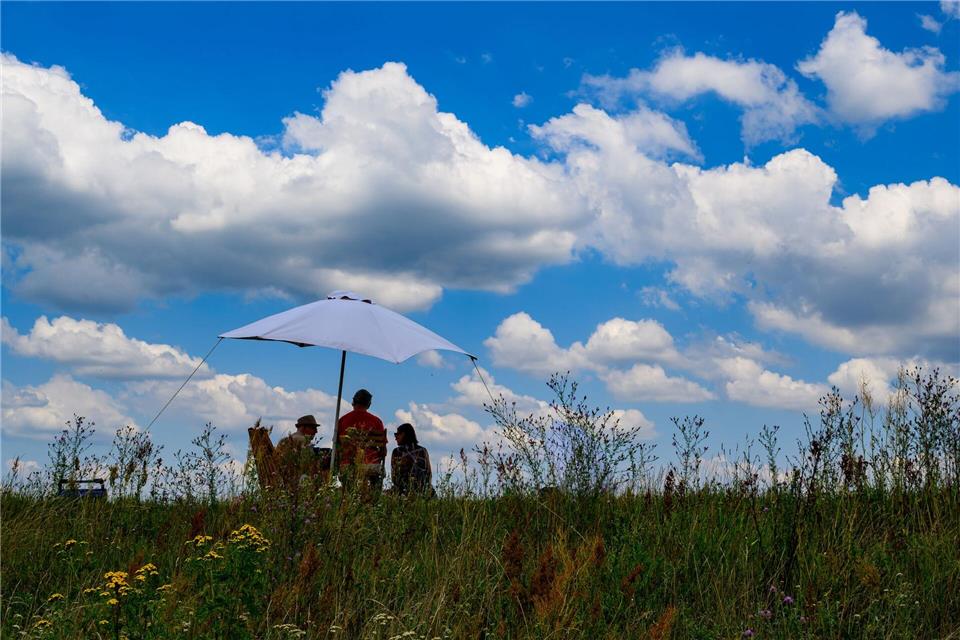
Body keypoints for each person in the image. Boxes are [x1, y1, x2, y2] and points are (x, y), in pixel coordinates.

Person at [336, 389, 387, 498]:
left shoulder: (342, 420)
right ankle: (374, 499)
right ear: (369, 404)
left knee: (348, 491)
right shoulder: (377, 421)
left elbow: (337, 445)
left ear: (353, 402)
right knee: (374, 477)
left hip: (348, 464)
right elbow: (383, 450)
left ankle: (348, 499)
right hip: (371, 464)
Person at [274, 415, 326, 490]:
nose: (316, 431)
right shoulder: (303, 440)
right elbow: (309, 463)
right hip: (297, 481)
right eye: (313, 428)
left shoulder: (284, 440)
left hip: (282, 479)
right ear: (303, 427)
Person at [390, 422, 434, 497]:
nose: (395, 437)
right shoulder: (422, 450)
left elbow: (394, 477)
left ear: (403, 434)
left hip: (402, 490)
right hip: (422, 489)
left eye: (397, 434)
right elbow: (428, 473)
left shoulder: (396, 452)